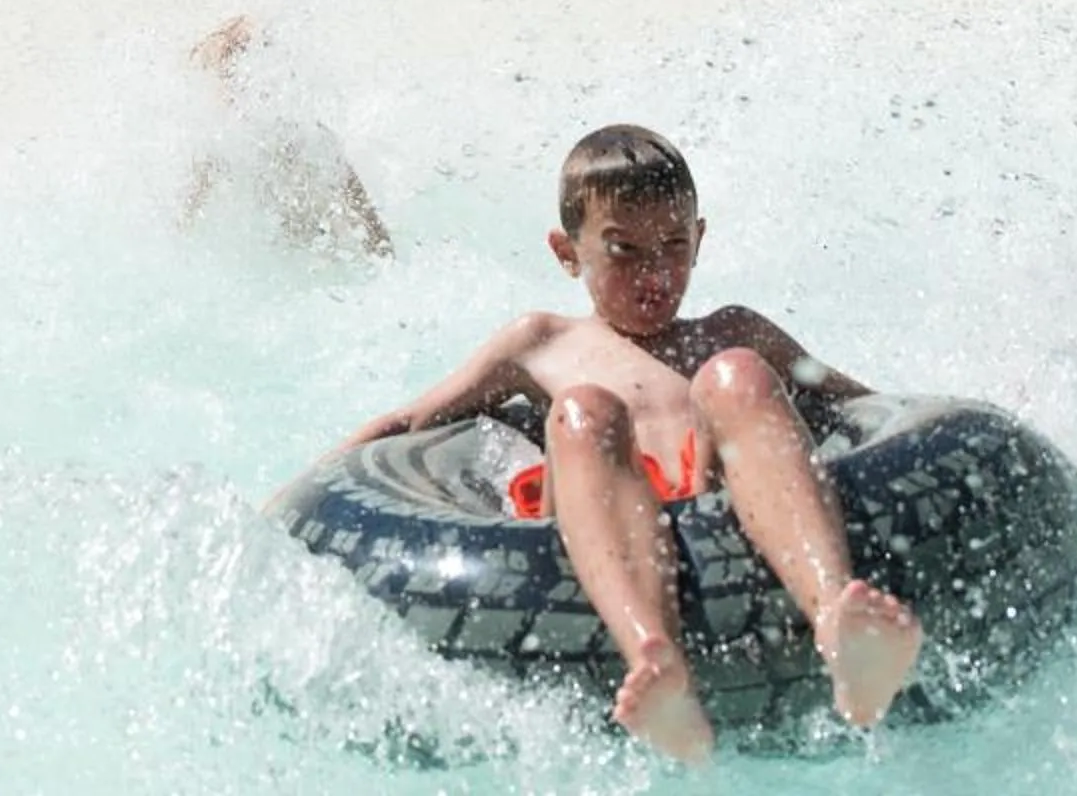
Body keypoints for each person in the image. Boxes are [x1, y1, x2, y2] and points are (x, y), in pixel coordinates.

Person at [328, 127, 923, 764]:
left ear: (699, 237)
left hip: (712, 495)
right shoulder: (542, 341)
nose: (656, 273)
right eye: (624, 250)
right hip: (597, 507)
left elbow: (867, 410)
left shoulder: (731, 330)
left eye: (673, 245)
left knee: (739, 375)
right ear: (567, 253)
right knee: (585, 409)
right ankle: (655, 661)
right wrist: (311, 497)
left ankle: (837, 618)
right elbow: (410, 424)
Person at [180, 17, 393, 259]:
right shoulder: (226, 140)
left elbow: (357, 197)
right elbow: (188, 212)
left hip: (309, 242)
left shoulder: (303, 134)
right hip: (295, 246)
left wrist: (380, 243)